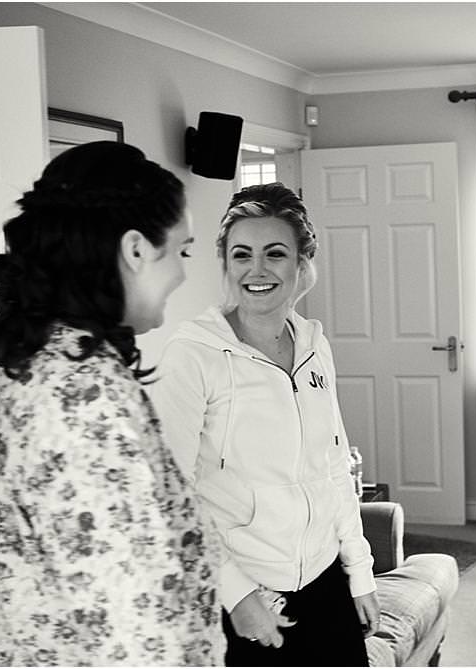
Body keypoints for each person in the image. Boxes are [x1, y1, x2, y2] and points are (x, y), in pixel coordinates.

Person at [0, 141, 224, 666]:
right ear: (135, 250)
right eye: (183, 250)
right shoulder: (81, 398)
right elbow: (125, 627)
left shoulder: (39, 366)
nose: (182, 273)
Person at [152, 182, 379, 667]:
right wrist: (235, 594)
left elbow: (335, 463)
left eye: (275, 254)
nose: (256, 270)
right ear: (226, 266)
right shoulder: (193, 355)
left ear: (302, 265)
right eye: (241, 255)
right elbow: (169, 493)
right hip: (246, 592)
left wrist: (359, 572)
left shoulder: (315, 345)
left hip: (323, 578)